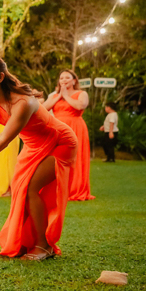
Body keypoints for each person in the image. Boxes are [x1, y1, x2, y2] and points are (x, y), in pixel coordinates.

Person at [0, 56, 78, 261]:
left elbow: (3, 141)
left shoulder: (23, 102)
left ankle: (44, 247)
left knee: (30, 187)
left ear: (0, 77)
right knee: (20, 189)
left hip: (59, 142)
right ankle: (27, 241)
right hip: (32, 146)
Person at [44, 70, 94, 200]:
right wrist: (59, 96)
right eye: (61, 78)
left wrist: (66, 96)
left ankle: (74, 188)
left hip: (75, 127)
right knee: (56, 157)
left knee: (75, 158)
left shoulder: (81, 94)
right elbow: (43, 109)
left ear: (74, 80)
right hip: (57, 129)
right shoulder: (55, 96)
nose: (64, 80)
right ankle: (57, 188)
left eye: (67, 77)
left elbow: (80, 106)